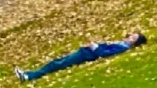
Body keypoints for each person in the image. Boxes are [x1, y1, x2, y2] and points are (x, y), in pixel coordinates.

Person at [15, 32, 147, 83]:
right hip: (86, 52)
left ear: (135, 43)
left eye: (133, 38)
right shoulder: (122, 44)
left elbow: (105, 53)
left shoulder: (122, 47)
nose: (130, 37)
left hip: (86, 54)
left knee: (58, 63)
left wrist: (95, 46)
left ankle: (29, 76)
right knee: (58, 62)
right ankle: (29, 74)